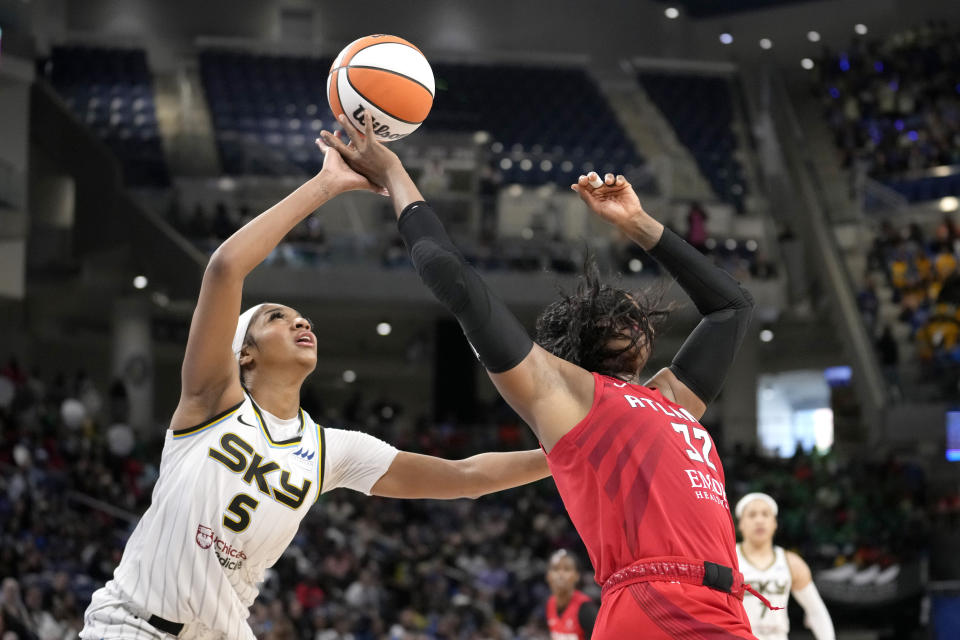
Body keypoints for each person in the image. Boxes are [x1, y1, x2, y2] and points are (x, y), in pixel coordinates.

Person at [79, 141, 551, 640]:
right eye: (277, 317)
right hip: (132, 627)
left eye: (301, 317)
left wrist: (564, 452)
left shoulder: (329, 451)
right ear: (245, 353)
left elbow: (467, 477)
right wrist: (326, 185)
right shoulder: (213, 399)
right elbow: (224, 269)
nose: (300, 320)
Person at [325, 111, 758, 638]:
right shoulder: (571, 396)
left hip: (721, 600)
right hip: (661, 600)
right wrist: (394, 173)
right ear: (582, 343)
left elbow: (731, 308)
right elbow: (450, 274)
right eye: (613, 310)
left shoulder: (668, 398)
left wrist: (637, 224)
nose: (630, 312)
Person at [735, 493, 835, 640]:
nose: (759, 520)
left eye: (765, 514)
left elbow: (816, 611)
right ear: (740, 524)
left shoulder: (792, 563)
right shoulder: (728, 559)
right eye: (752, 515)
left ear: (775, 523)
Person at [545, 550, 597, 640]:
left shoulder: (586, 608)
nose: (560, 574)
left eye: (566, 569)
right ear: (548, 576)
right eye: (555, 569)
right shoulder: (550, 603)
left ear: (577, 576)